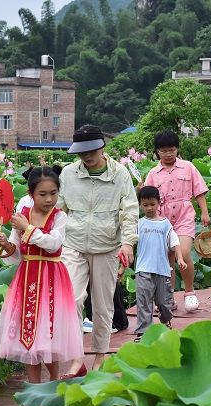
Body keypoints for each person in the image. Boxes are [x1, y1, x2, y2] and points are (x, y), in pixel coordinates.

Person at [0, 166, 83, 406]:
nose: (49, 199)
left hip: (52, 280)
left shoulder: (59, 217)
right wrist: (6, 244)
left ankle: (52, 386)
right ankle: (34, 397)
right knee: (29, 338)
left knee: (48, 337)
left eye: (53, 193)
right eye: (43, 194)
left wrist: (28, 229)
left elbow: (54, 244)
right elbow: (16, 254)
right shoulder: (21, 214)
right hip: (27, 278)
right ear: (31, 194)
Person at [58, 125, 138, 374]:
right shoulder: (68, 174)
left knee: (103, 306)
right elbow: (60, 209)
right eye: (81, 153)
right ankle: (76, 357)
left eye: (91, 151)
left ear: (102, 147)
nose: (86, 157)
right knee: (71, 300)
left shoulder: (120, 174)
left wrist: (128, 242)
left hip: (106, 247)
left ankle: (100, 355)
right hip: (74, 244)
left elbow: (129, 211)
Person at [143, 130, 210, 312]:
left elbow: (200, 191)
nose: (168, 154)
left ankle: (189, 292)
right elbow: (147, 199)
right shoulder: (153, 173)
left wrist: (204, 212)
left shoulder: (188, 167)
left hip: (184, 216)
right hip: (162, 219)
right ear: (157, 152)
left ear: (177, 149)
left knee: (184, 251)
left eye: (171, 150)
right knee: (166, 260)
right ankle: (168, 297)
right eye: (163, 151)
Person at [133, 186, 187, 342]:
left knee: (164, 303)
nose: (149, 208)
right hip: (143, 269)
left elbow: (175, 242)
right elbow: (129, 241)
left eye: (152, 204)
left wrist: (180, 258)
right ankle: (143, 332)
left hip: (162, 270)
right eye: (145, 205)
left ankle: (165, 321)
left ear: (159, 203)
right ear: (140, 205)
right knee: (143, 300)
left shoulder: (165, 224)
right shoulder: (139, 224)